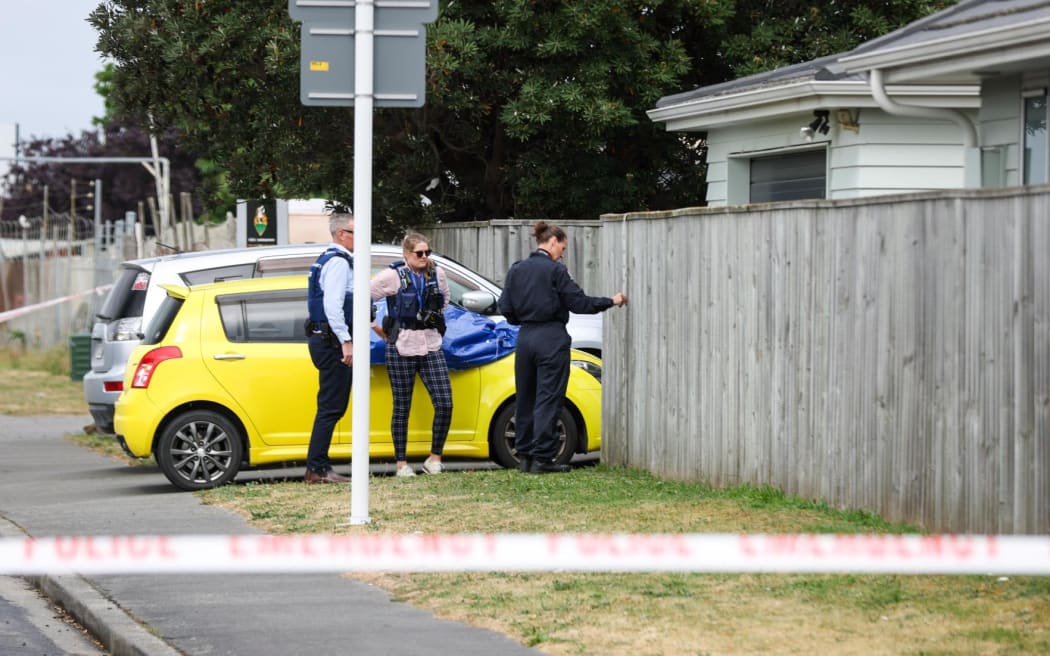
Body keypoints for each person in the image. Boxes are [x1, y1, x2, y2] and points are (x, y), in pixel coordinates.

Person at [498, 221, 627, 474]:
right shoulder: (556, 271)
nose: (563, 253)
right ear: (553, 241)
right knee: (548, 398)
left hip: (525, 337)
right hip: (550, 337)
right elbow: (579, 303)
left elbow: (506, 307)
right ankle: (542, 458)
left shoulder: (517, 270)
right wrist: (611, 301)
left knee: (525, 396)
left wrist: (523, 320)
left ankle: (524, 456)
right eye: (562, 247)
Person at [371, 232, 453, 478]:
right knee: (402, 406)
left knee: (445, 402)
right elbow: (364, 297)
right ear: (407, 254)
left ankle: (434, 458)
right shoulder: (391, 276)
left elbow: (445, 301)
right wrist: (377, 328)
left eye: (427, 252)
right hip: (401, 345)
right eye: (419, 253)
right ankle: (401, 464)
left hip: (430, 344)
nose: (424, 257)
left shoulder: (437, 274)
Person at [303, 213, 357, 483]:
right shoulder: (337, 263)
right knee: (331, 407)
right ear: (341, 235)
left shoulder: (328, 259)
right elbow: (333, 307)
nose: (360, 238)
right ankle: (318, 468)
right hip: (332, 342)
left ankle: (318, 466)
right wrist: (346, 340)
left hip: (324, 339)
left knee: (331, 405)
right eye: (355, 232)